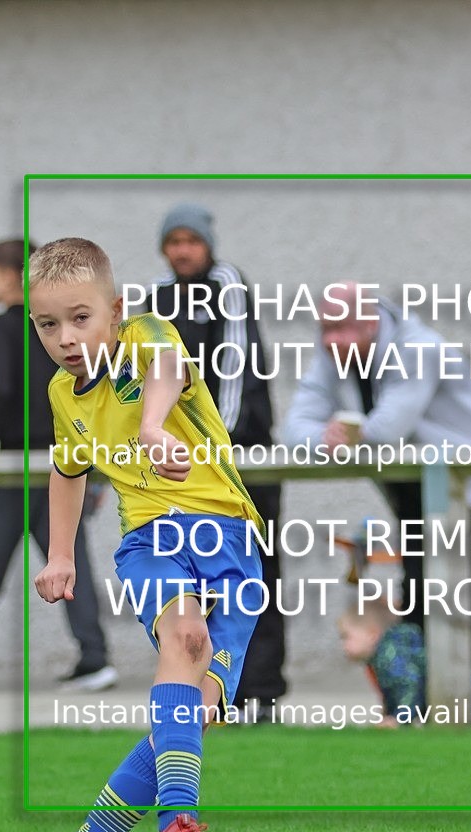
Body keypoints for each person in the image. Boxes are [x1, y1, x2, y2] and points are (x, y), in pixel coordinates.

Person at [28, 238, 263, 832]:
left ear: (114, 311)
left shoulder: (144, 333)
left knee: (187, 719)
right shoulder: (62, 393)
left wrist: (154, 425)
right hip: (152, 540)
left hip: (234, 544)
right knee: (185, 641)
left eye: (80, 317)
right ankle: (180, 827)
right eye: (48, 324)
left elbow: (167, 368)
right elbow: (68, 469)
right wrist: (64, 554)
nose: (67, 337)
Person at [283, 282, 471, 683]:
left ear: (371, 322)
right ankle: (424, 700)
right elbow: (293, 427)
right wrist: (321, 437)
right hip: (413, 480)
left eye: (343, 329)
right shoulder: (331, 354)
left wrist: (339, 435)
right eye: (326, 330)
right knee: (420, 589)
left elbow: (389, 428)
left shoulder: (417, 347)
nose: (333, 341)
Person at [0, 239, 113, 692]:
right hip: (66, 456)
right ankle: (95, 658)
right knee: (70, 559)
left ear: (13, 277)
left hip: (14, 461)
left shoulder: (2, 327)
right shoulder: (69, 329)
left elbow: (2, 389)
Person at [151, 204, 285, 719]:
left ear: (207, 243)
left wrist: (215, 447)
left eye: (191, 240)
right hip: (188, 467)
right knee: (196, 582)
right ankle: (211, 693)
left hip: (240, 459)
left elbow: (235, 368)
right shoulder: (156, 296)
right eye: (174, 241)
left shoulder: (227, 283)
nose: (182, 250)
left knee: (253, 576)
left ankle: (264, 690)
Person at [337, 599, 471, 725]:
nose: (343, 645)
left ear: (372, 634)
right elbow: (393, 691)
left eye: (346, 636)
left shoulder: (389, 655)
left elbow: (408, 684)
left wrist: (398, 719)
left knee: (467, 730)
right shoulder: (384, 653)